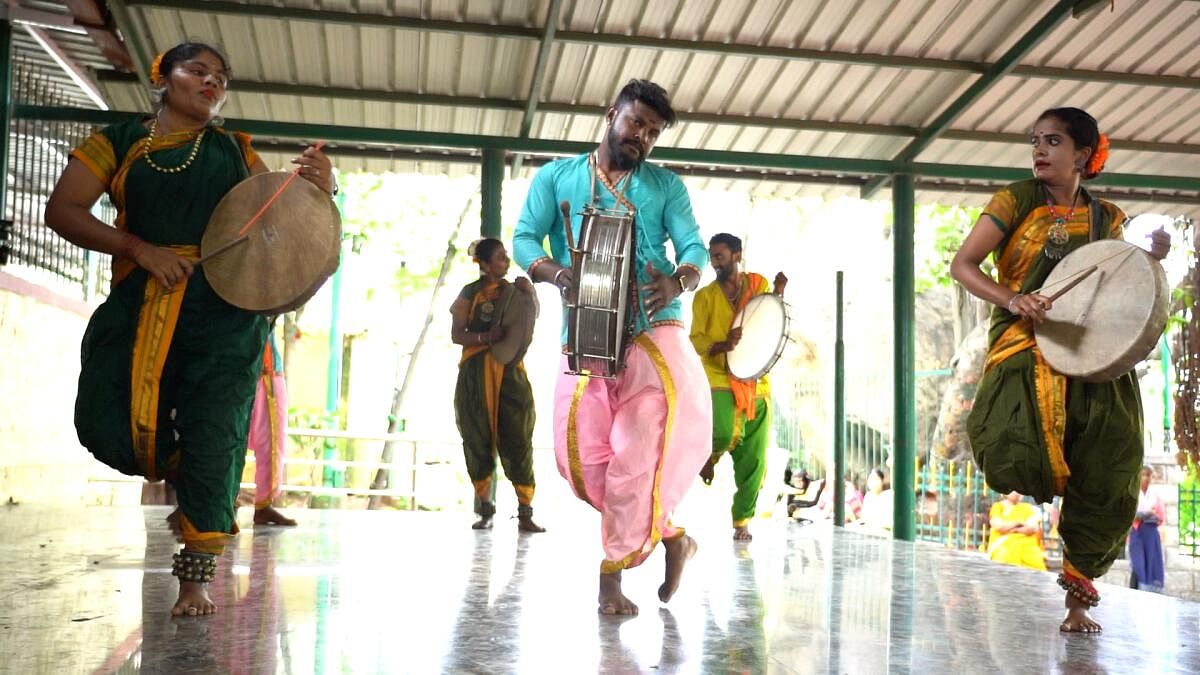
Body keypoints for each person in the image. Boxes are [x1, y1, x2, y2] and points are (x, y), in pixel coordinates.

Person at [45, 41, 335, 616]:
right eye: (196, 71)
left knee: (216, 431)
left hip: (224, 313)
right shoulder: (120, 143)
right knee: (104, 422)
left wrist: (321, 188)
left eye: (220, 77)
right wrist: (140, 249)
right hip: (138, 302)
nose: (211, 82)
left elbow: (278, 219)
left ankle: (195, 581)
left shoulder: (234, 151)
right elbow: (63, 210)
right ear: (164, 76)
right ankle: (191, 468)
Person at [950, 107, 1171, 633]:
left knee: (1111, 462)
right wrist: (1014, 299)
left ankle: (1077, 601)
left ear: (1083, 154)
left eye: (1053, 141)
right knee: (1011, 446)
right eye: (1035, 142)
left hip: (1092, 352)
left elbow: (1119, 289)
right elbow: (962, 265)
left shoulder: (1108, 219)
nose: (1040, 151)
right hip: (1023, 346)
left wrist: (1153, 259)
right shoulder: (1015, 200)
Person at [512, 79, 710, 616]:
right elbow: (524, 238)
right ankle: (671, 535)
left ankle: (612, 574)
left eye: (653, 132)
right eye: (635, 123)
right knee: (576, 455)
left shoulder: (666, 186)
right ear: (611, 114)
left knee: (639, 450)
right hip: (586, 331)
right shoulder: (557, 178)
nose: (642, 137)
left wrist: (679, 280)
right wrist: (558, 274)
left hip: (654, 329)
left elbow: (693, 246)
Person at [689, 232, 786, 541]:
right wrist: (721, 344)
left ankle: (742, 520)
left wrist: (779, 293)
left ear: (737, 255)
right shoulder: (704, 297)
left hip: (756, 380)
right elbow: (695, 340)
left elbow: (769, 321)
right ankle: (708, 456)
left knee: (755, 459)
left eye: (720, 256)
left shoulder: (759, 286)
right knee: (721, 431)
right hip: (717, 376)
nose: (715, 262)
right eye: (712, 257)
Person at [450, 238, 543, 533]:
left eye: (505, 257)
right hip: (476, 374)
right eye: (500, 258)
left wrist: (531, 295)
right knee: (476, 434)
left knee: (517, 436)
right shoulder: (469, 293)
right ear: (486, 264)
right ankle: (485, 508)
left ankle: (525, 511)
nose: (505, 262)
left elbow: (528, 320)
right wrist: (486, 337)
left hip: (510, 373)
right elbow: (457, 334)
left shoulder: (513, 292)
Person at [246, 327, 297, 527]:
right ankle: (223, 501)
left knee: (272, 441)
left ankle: (263, 506)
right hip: (234, 368)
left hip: (267, 370)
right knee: (226, 438)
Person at [1128, 465, 1166, 593]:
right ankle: (1137, 591)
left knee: (1152, 564)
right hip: (1137, 533)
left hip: (1151, 535)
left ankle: (1151, 592)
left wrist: (1146, 514)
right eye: (1143, 475)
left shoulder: (1154, 496)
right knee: (1138, 565)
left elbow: (1160, 516)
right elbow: (1130, 514)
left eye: (1148, 475)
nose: (1146, 478)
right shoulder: (1133, 494)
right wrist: (1145, 514)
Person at [986, 492, 1047, 571]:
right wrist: (1018, 523)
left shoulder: (1027, 508)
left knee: (1037, 565)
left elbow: (1033, 528)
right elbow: (999, 526)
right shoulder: (998, 507)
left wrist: (1012, 529)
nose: (1017, 493)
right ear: (1005, 491)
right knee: (1003, 558)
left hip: (1027, 548)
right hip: (1003, 545)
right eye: (1013, 490)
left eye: (1019, 490)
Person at [857, 468, 894, 533]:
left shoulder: (889, 495)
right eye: (871, 479)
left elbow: (889, 522)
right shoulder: (868, 496)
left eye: (876, 479)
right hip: (869, 532)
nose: (873, 482)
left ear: (882, 481)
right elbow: (865, 518)